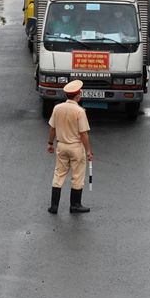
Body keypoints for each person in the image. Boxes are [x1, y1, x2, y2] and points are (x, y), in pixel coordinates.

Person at [46, 80, 94, 214]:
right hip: (75, 147)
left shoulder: (57, 108)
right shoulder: (79, 111)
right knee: (77, 175)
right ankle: (75, 205)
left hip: (61, 145)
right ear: (77, 96)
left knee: (59, 174)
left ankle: (54, 206)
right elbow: (83, 134)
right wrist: (89, 151)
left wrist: (50, 144)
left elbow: (52, 129)